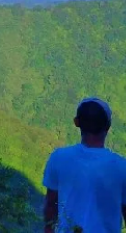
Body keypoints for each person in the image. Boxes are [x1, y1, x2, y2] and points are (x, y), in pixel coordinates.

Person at [43, 97, 126, 232]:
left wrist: (48, 229)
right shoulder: (122, 167)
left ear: (76, 122)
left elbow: (51, 206)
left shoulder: (58, 157)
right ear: (108, 126)